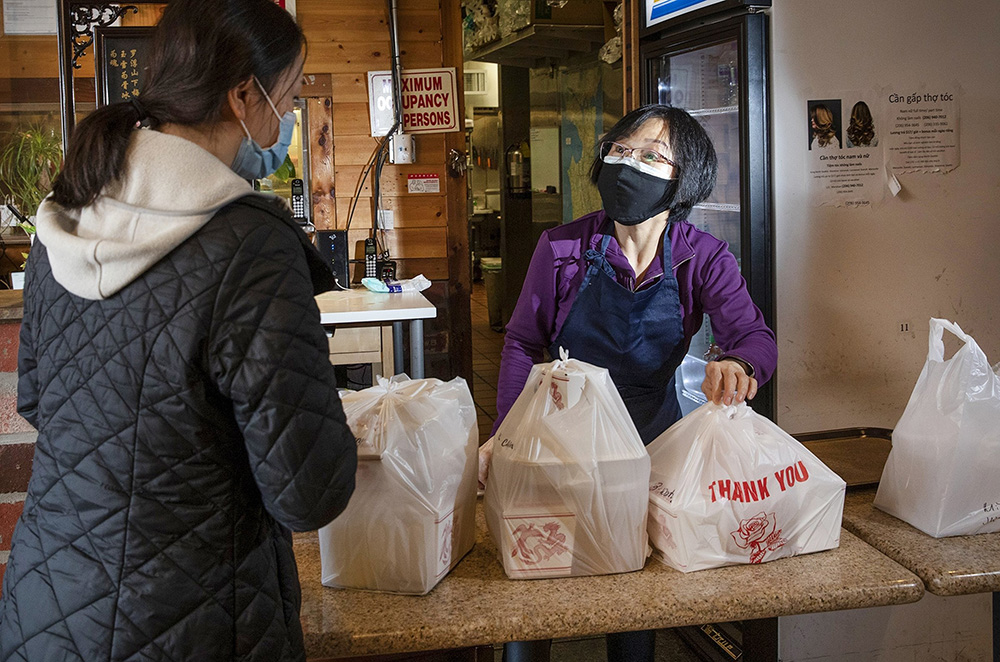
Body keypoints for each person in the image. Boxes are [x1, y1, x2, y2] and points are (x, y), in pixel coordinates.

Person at [0, 1, 358, 660]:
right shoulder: (250, 241)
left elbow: (39, 401)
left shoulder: (66, 215)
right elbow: (307, 490)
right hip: (193, 618)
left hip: (46, 604)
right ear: (244, 95)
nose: (285, 120)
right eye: (286, 96)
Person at [483, 104, 777, 662]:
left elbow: (756, 337)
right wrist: (506, 434)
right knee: (533, 582)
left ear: (682, 179)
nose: (627, 164)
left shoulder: (701, 257)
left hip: (647, 443)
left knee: (632, 589)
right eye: (619, 151)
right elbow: (523, 341)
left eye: (650, 157)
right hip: (558, 439)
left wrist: (740, 365)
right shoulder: (563, 248)